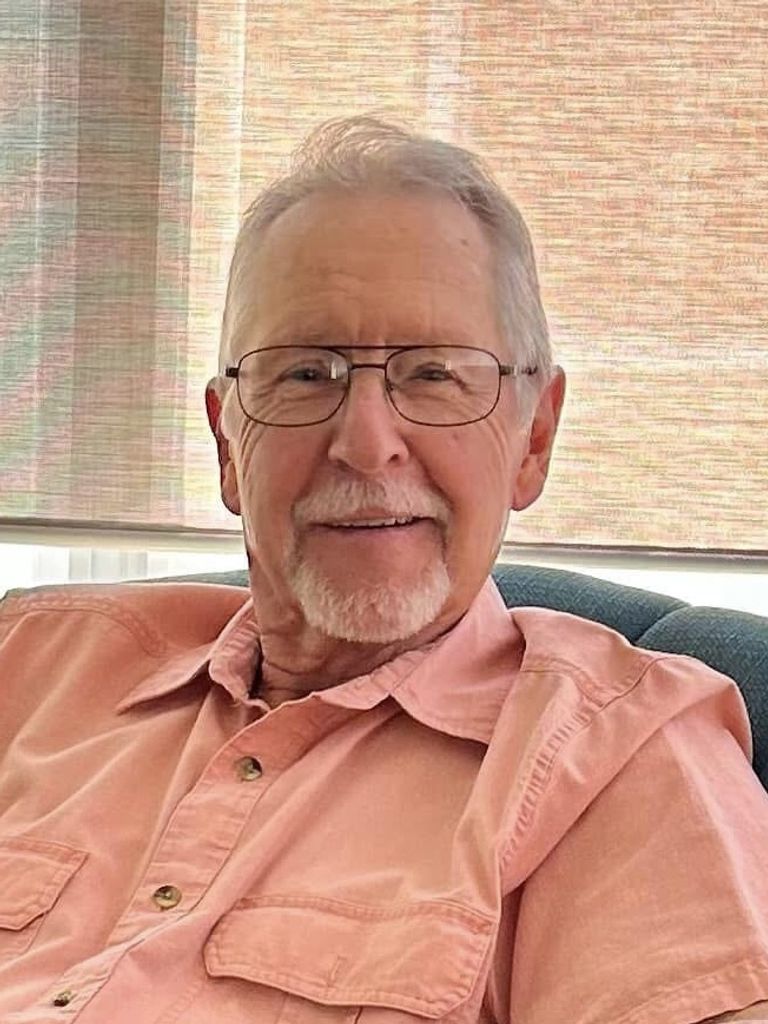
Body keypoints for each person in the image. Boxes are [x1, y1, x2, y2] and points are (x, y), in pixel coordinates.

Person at [1, 117, 767, 1024]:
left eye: (436, 374)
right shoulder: (30, 663)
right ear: (228, 446)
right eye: (304, 375)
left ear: (533, 438)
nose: (367, 445)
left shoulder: (626, 758)